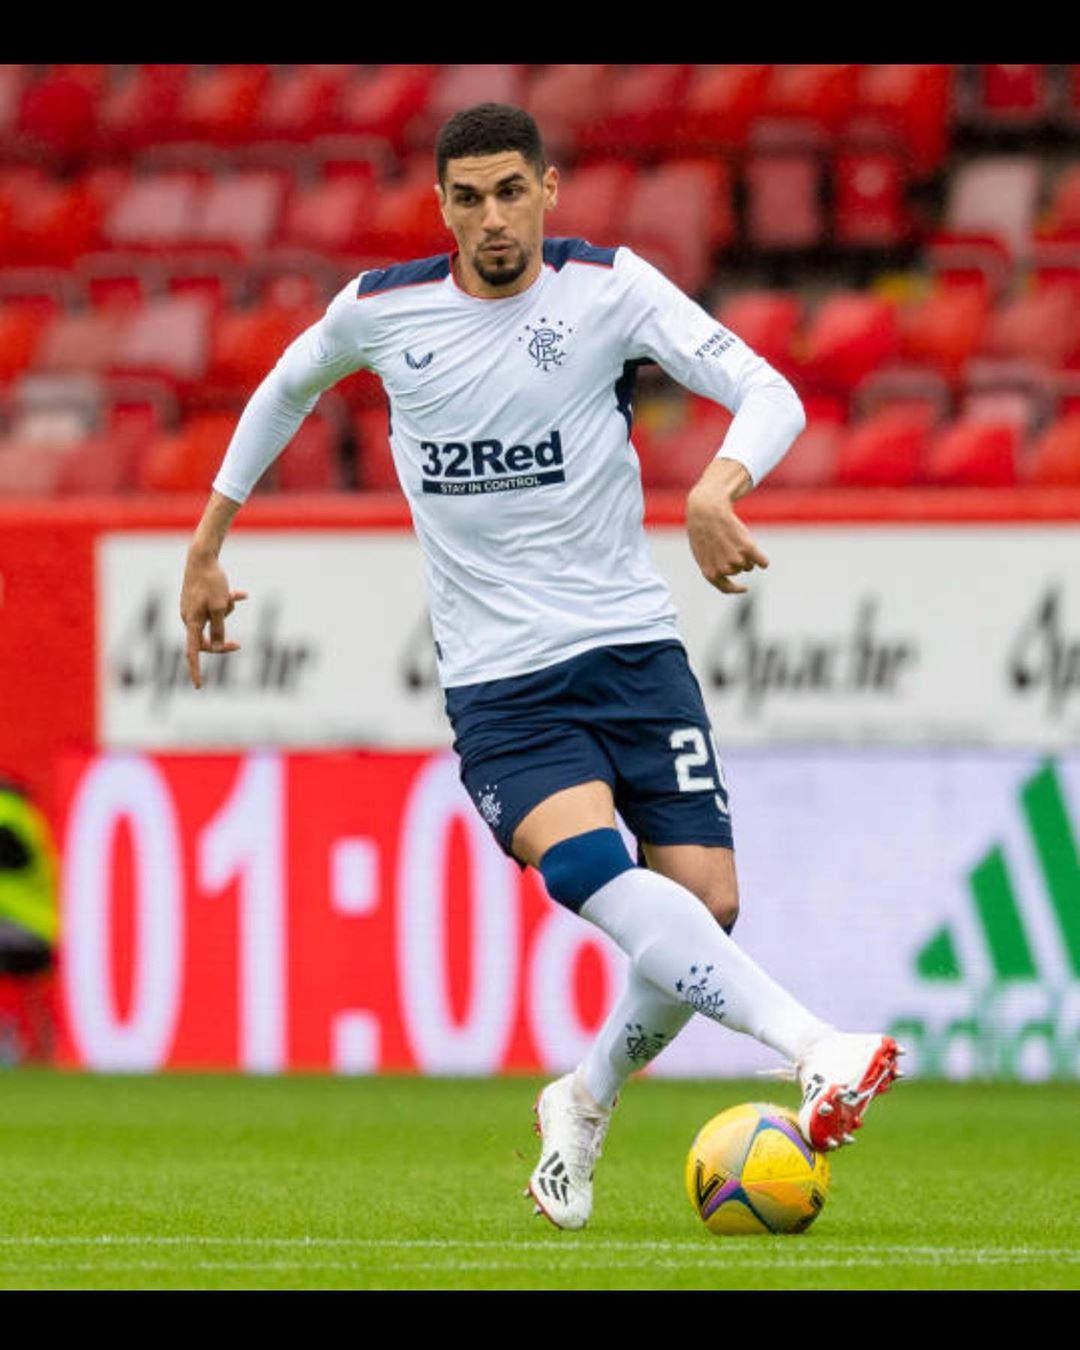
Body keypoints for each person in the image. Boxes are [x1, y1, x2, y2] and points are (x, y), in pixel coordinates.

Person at [180, 102, 903, 1231]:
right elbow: (285, 386)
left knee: (706, 906)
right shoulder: (384, 311)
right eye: (467, 198)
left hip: (634, 652)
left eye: (511, 190)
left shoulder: (608, 287)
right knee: (597, 880)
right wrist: (209, 540)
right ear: (441, 208)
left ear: (549, 189)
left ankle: (582, 1098)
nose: (492, 218)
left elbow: (773, 390)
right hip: (503, 684)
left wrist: (717, 483)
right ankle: (817, 1047)